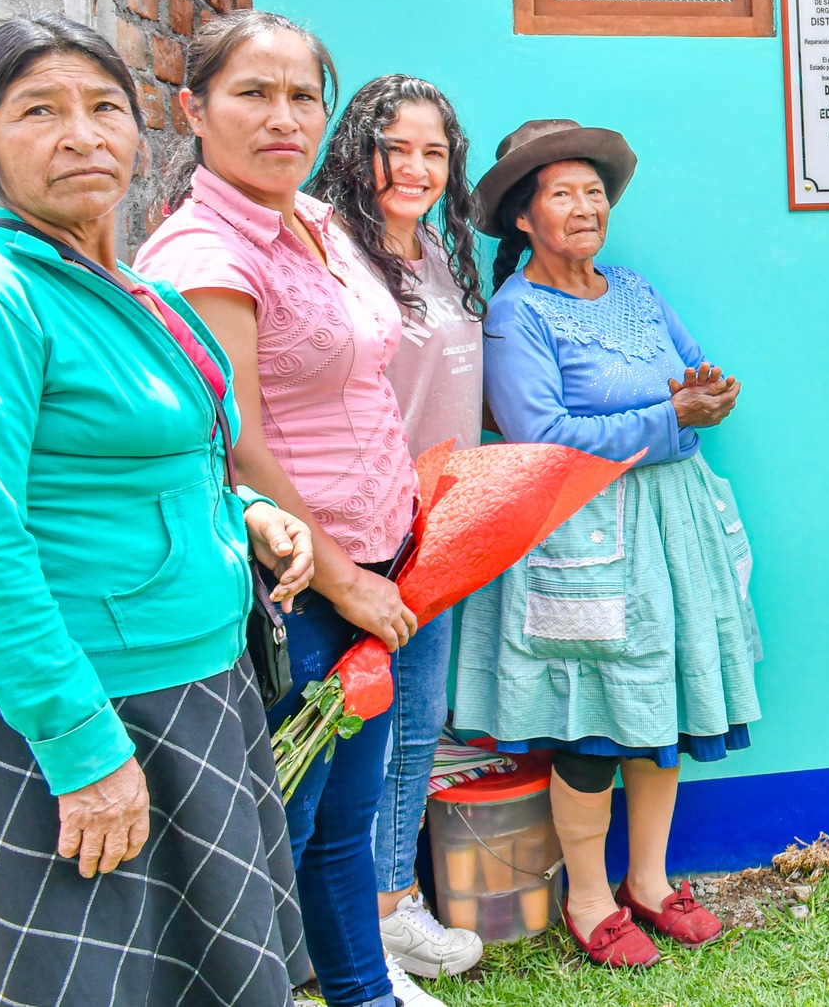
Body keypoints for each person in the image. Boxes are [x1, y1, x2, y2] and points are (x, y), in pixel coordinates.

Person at [0, 15, 313, 1006]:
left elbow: (176, 456)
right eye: (38, 110)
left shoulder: (134, 293)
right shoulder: (5, 296)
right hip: (92, 701)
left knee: (204, 973)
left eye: (102, 109)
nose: (81, 135)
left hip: (197, 684)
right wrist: (83, 749)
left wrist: (248, 508)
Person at [136, 11, 422, 1007]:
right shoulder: (202, 249)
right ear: (193, 109)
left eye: (302, 95)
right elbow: (237, 440)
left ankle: (361, 994)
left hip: (378, 565)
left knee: (346, 823)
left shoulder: (322, 222)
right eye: (251, 93)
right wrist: (343, 582)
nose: (282, 116)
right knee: (282, 831)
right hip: (292, 589)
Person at [458, 119, 761, 969]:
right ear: (524, 215)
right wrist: (671, 417)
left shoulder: (632, 287)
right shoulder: (518, 313)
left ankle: (651, 881)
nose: (585, 205)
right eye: (563, 191)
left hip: (671, 526)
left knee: (659, 700)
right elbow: (541, 433)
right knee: (591, 718)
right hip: (582, 536)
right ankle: (587, 896)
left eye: (594, 190)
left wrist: (708, 390)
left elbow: (691, 365)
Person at [308, 75, 488, 992]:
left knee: (420, 723)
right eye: (396, 148)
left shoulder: (443, 255)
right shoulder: (333, 252)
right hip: (370, 528)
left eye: (433, 151)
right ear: (357, 150)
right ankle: (358, 933)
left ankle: (390, 900)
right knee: (361, 733)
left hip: (443, 527)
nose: (414, 167)